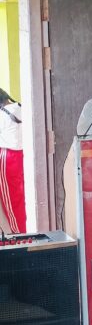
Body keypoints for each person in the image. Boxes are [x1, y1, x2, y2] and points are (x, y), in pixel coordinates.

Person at [0, 88, 25, 233]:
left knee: (11, 203)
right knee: (20, 200)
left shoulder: (2, 115)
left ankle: (18, 235)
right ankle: (23, 232)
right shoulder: (21, 107)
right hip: (21, 157)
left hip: (7, 158)